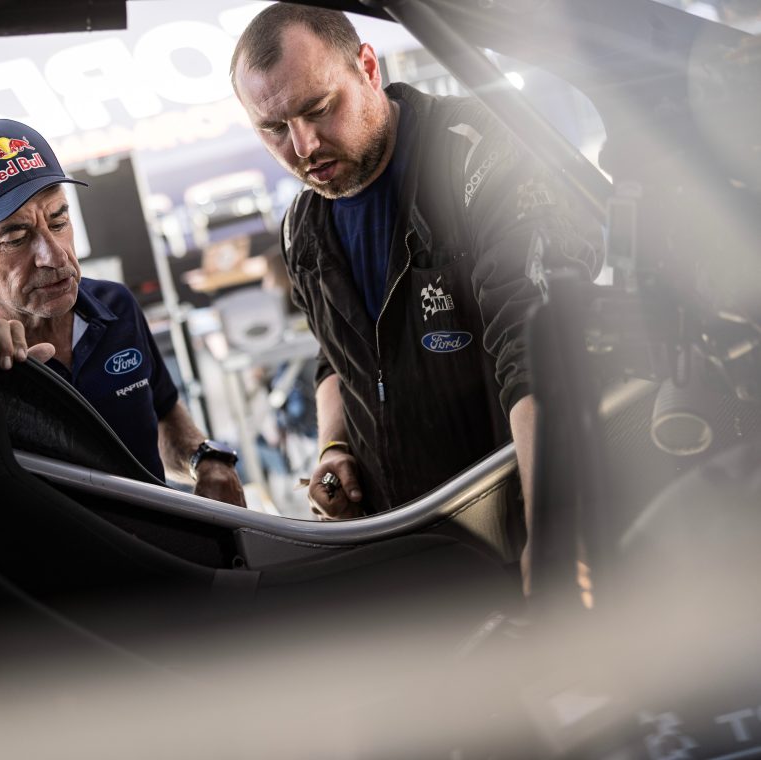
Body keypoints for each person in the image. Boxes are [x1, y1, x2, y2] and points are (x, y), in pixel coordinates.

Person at [231, 6, 599, 571]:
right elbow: (335, 359)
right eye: (274, 129)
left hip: (515, 525)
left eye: (319, 109)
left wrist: (555, 536)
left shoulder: (478, 157)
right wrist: (334, 446)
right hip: (409, 549)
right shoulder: (301, 228)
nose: (303, 146)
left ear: (367, 67)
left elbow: (538, 351)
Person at [0, 119, 245, 507]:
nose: (55, 256)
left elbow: (162, 414)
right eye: (16, 238)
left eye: (58, 220)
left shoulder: (116, 306)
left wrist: (205, 460)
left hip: (159, 540)